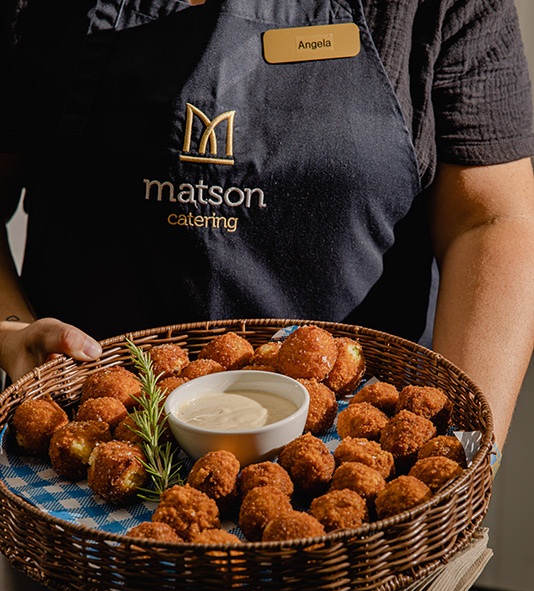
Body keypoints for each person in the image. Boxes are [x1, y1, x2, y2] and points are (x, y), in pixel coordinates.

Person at [1, 0, 533, 454]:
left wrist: (466, 449)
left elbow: (490, 219)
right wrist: (10, 330)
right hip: (82, 468)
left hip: (366, 478)